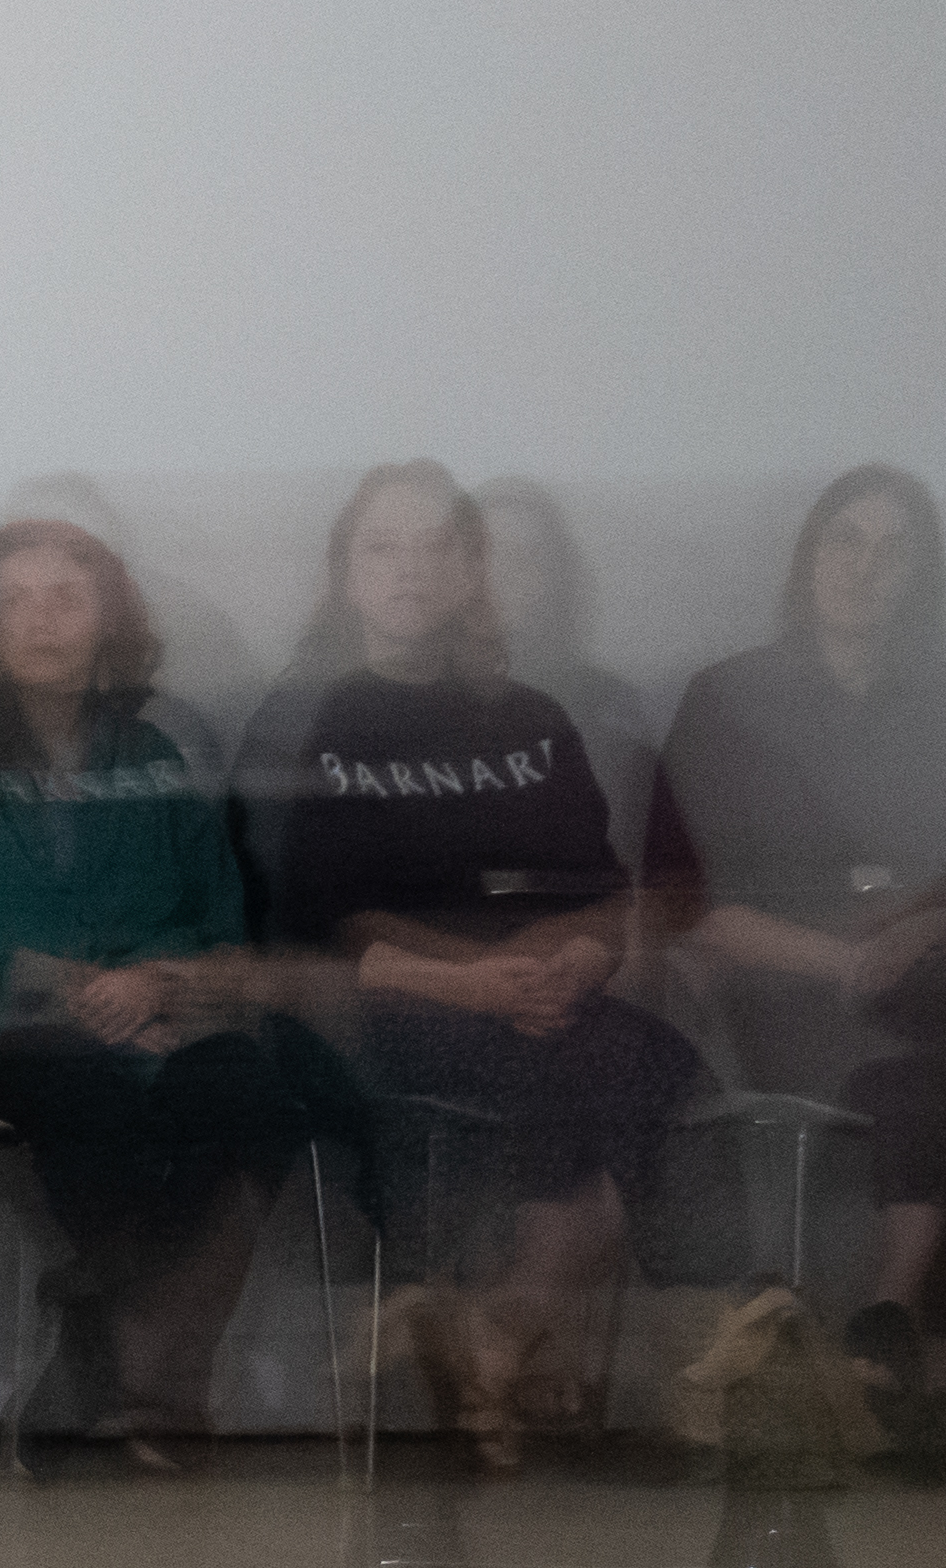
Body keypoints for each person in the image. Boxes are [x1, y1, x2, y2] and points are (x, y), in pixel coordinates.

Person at [0, 516, 330, 1459]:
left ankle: (123, 1354)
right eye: (15, 601)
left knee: (255, 1094)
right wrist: (67, 986)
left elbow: (215, 917)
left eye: (66, 598)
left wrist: (160, 984)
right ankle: (157, 1383)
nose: (42, 621)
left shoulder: (151, 757)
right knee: (88, 1090)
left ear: (109, 617)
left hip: (157, 1017)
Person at [244, 460, 698, 1451]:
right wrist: (472, 983)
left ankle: (490, 1331)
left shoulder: (531, 717)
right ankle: (496, 1353)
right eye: (382, 547)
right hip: (389, 1007)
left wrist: (575, 958)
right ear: (346, 574)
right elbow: (321, 922)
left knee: (653, 1072)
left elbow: (598, 890)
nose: (410, 569)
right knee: (578, 1083)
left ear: (468, 570)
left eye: (435, 546)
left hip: (544, 995)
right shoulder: (307, 717)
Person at [653, 464, 946, 1368]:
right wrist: (847, 962)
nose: (865, 567)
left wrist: (922, 931)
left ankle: (896, 1316)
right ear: (806, 558)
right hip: (798, 988)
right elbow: (684, 908)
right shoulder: (727, 699)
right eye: (844, 540)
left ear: (922, 574)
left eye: (894, 549)